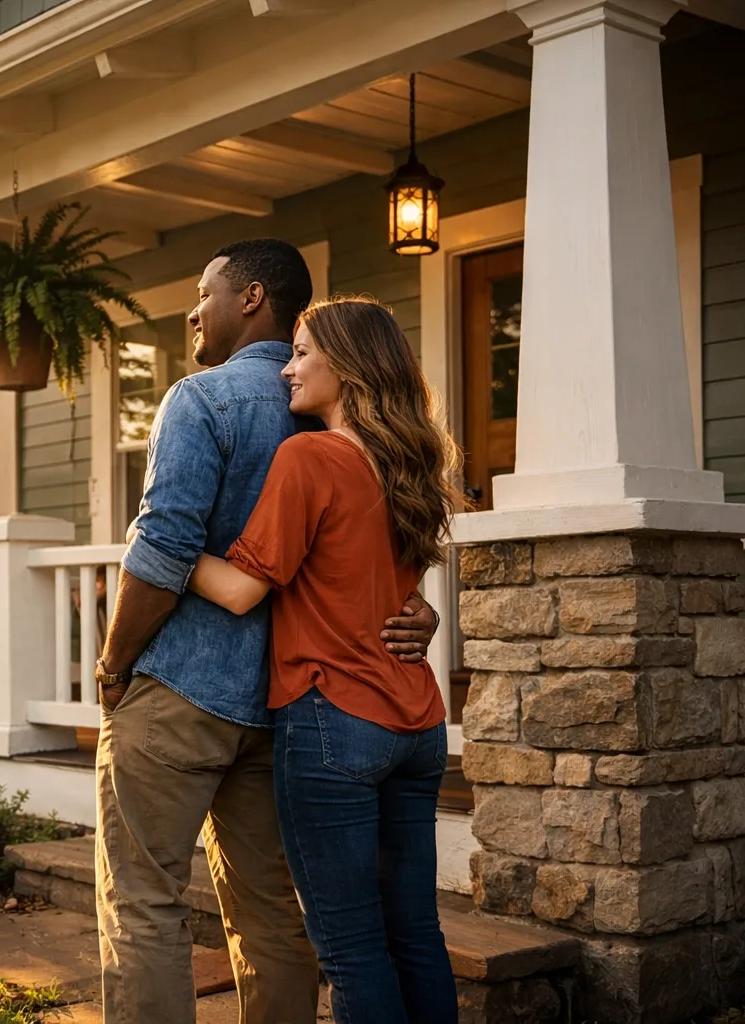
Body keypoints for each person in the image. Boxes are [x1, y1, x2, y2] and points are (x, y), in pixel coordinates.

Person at [94, 240, 440, 1024]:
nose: (192, 310)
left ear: (251, 298)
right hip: (282, 711)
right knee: (272, 914)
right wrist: (421, 610)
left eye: (203, 290)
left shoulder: (203, 399)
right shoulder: (334, 422)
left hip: (183, 688)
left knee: (145, 903)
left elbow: (168, 549)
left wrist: (115, 663)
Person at [187, 297, 462, 1023]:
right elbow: (391, 587)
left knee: (350, 950)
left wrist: (163, 552)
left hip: (332, 719)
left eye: (304, 352)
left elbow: (243, 590)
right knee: (416, 935)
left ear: (348, 365)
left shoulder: (308, 455)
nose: (287, 368)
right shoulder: (410, 464)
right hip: (418, 725)